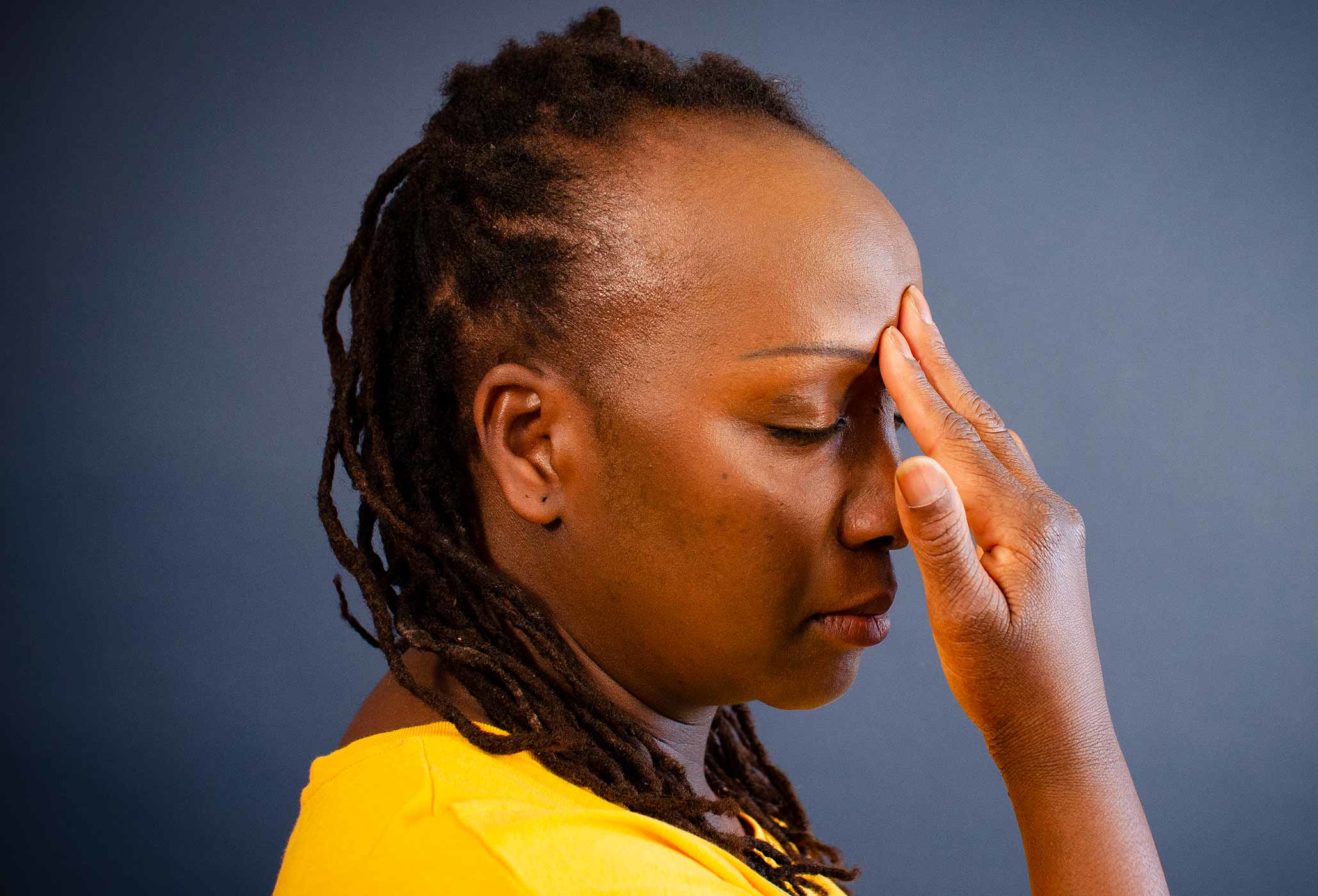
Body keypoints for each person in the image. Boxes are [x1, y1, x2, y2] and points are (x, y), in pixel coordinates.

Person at [273, 6, 1169, 894]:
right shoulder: (516, 870)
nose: (893, 510)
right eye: (804, 423)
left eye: (893, 418)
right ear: (532, 444)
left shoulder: (608, 805)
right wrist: (1059, 748)